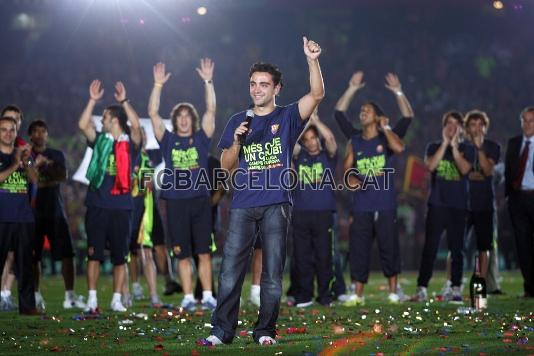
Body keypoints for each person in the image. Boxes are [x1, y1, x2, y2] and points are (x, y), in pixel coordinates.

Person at [199, 36, 324, 346]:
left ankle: (265, 331)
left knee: (271, 275)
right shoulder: (237, 121)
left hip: (276, 204)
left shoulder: (288, 117)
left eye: (264, 84)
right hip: (242, 204)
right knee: (229, 272)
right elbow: (226, 166)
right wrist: (238, 140)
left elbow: (317, 94)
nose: (257, 89)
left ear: (276, 89)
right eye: (253, 83)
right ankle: (221, 331)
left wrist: (312, 60)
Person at [148, 58, 217, 311]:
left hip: (199, 201)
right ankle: (188, 297)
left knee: (204, 252)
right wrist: (157, 85)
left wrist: (208, 82)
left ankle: (208, 295)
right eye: (181, 116)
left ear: (192, 120)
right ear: (175, 120)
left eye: (188, 116)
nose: (185, 120)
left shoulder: (201, 138)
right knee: (182, 253)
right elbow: (153, 114)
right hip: (175, 203)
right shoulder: (167, 140)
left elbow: (211, 111)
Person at [78, 80, 142, 312]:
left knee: (119, 257)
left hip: (122, 206)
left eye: (103, 117)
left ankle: (116, 299)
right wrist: (93, 100)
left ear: (114, 120)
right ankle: (92, 299)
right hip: (97, 205)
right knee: (93, 255)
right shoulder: (100, 141)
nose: (100, 121)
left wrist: (124, 101)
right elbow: (83, 123)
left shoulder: (130, 144)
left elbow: (135, 126)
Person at [342, 98, 405, 305]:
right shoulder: (355, 141)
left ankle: (394, 292)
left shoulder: (386, 139)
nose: (362, 112)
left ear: (377, 117)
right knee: (359, 249)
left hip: (385, 203)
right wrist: (350, 178)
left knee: (389, 247)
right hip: (362, 205)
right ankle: (358, 295)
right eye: (361, 109)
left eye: (367, 110)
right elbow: (346, 169)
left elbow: (399, 148)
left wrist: (385, 126)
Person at [412, 112, 475, 303]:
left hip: (458, 206)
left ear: (462, 129)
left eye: (456, 124)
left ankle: (455, 288)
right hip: (437, 205)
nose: (452, 127)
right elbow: (431, 166)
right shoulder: (433, 147)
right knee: (430, 248)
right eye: (448, 124)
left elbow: (464, 170)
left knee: (457, 249)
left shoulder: (468, 148)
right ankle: (422, 288)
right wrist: (445, 144)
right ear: (443, 127)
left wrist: (454, 147)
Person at [28, 119, 85, 310]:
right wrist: (40, 174)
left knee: (67, 254)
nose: (40, 134)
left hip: (55, 210)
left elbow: (62, 176)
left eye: (43, 131)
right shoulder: (25, 154)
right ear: (30, 135)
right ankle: (35, 295)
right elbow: (29, 178)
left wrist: (47, 164)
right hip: (32, 211)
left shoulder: (55, 154)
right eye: (36, 131)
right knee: (33, 256)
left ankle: (70, 296)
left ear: (47, 134)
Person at [291, 110, 337, 307]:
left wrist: (315, 120)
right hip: (300, 213)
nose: (310, 142)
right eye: (307, 139)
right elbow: (291, 143)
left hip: (323, 212)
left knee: (324, 256)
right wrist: (305, 125)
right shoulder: (299, 156)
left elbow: (331, 138)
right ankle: (304, 296)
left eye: (313, 138)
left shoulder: (329, 156)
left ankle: (325, 295)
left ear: (318, 138)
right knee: (302, 257)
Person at [0, 115, 38, 314]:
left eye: (11, 130)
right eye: (4, 129)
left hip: (24, 218)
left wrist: (27, 162)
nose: (8, 133)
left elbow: (34, 179)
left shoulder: (22, 154)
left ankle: (28, 306)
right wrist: (15, 164)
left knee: (25, 264)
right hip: (2, 217)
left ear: (16, 133)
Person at [127, 128, 164, 308]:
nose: (140, 137)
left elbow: (148, 184)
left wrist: (142, 182)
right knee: (128, 253)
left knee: (146, 251)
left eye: (143, 134)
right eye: (137, 134)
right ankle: (130, 289)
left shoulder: (151, 156)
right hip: (128, 210)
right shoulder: (125, 155)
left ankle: (153, 295)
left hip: (146, 211)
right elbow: (128, 182)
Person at [504, 106, 534, 298]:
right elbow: (509, 171)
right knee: (522, 245)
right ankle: (529, 288)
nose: (528, 124)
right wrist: (509, 195)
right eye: (525, 120)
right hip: (518, 199)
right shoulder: (514, 143)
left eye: (532, 121)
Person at [0, 105, 28, 311]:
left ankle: (5, 294)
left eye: (16, 121)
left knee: (14, 256)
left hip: (19, 214)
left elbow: (33, 182)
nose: (12, 126)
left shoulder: (24, 150)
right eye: (8, 121)